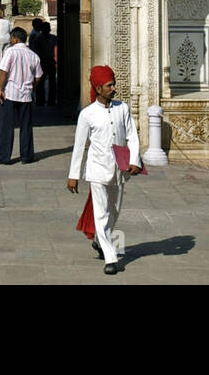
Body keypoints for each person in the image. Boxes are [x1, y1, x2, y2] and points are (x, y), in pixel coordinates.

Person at [67, 66, 142, 275]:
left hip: (119, 169)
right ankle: (110, 257)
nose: (113, 88)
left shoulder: (122, 108)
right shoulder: (87, 114)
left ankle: (100, 241)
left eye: (113, 84)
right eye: (109, 85)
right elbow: (79, 146)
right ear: (98, 88)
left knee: (114, 210)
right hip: (97, 169)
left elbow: (132, 136)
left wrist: (135, 160)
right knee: (101, 213)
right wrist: (73, 176)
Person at [0, 28, 42, 165]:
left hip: (10, 93)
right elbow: (38, 76)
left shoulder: (10, 52)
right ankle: (27, 156)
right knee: (26, 126)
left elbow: (3, 71)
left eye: (11, 38)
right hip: (26, 94)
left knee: (6, 126)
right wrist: (32, 87)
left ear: (15, 38)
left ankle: (4, 156)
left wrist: (0, 89)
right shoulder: (33, 55)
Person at [29, 18, 57, 107]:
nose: (47, 30)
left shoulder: (53, 38)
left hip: (50, 60)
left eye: (48, 28)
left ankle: (51, 100)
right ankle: (40, 100)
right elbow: (35, 51)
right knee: (41, 82)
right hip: (42, 61)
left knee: (52, 81)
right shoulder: (38, 38)